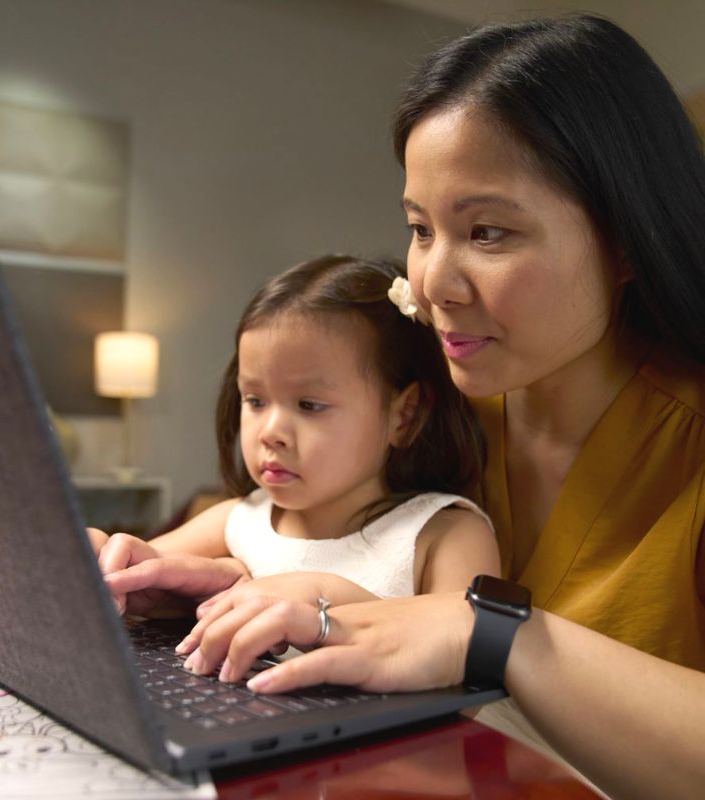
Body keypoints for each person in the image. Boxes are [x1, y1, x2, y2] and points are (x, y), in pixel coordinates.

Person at [133, 15, 704, 800]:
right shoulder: (434, 405)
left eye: (488, 232)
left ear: (626, 240)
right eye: (420, 229)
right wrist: (204, 579)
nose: (433, 283)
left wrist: (498, 637)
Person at [96, 254, 499, 680]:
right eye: (255, 400)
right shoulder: (241, 519)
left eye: (309, 405)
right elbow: (141, 573)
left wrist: (323, 595)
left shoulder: (443, 533)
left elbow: (472, 663)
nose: (271, 432)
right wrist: (105, 560)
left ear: (404, 414)